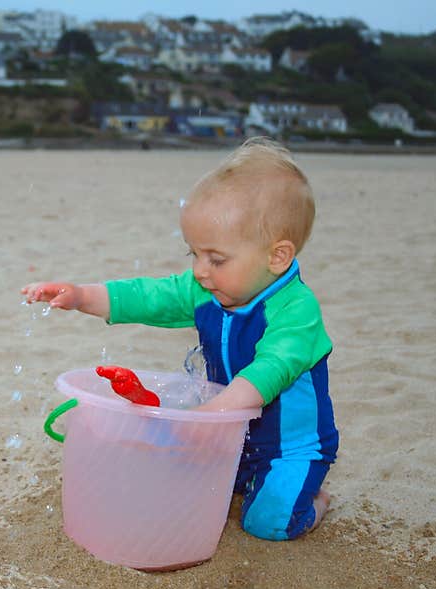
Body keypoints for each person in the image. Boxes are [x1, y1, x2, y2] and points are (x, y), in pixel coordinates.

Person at [21, 137, 338, 541]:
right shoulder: (205, 289)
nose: (201, 271)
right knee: (174, 479)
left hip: (290, 446)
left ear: (276, 256)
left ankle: (317, 502)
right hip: (232, 434)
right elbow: (149, 297)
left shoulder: (296, 310)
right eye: (194, 254)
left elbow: (269, 371)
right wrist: (82, 295)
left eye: (216, 259)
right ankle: (244, 478)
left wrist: (212, 416)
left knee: (267, 524)